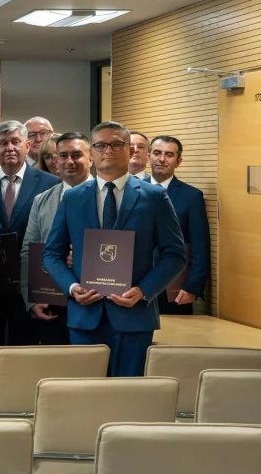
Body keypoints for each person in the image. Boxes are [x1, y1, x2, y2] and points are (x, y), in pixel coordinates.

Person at [42, 122, 186, 377]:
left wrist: (143, 291)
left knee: (129, 392)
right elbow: (52, 254)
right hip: (85, 315)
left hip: (134, 315)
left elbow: (174, 255)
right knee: (85, 392)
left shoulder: (154, 197)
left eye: (116, 144)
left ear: (130, 151)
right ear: (91, 153)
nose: (108, 150)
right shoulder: (73, 198)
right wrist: (72, 288)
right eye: (100, 145)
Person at [0, 120, 59, 351]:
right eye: (3, 143)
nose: (10, 147)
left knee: (25, 351)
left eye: (16, 142)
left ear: (27, 146)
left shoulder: (50, 183)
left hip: (32, 284)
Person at [20, 132, 93, 346]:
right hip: (51, 302)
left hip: (95, 300)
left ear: (90, 158)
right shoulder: (42, 200)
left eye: (76, 155)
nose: (69, 161)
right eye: (63, 156)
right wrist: (32, 298)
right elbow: (28, 252)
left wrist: (83, 260)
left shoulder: (108, 197)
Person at [149, 135, 210, 315]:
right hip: (133, 284)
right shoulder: (130, 191)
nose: (162, 159)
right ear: (148, 156)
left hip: (173, 285)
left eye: (169, 155)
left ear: (178, 161)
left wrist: (192, 286)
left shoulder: (191, 196)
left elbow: (199, 245)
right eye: (157, 153)